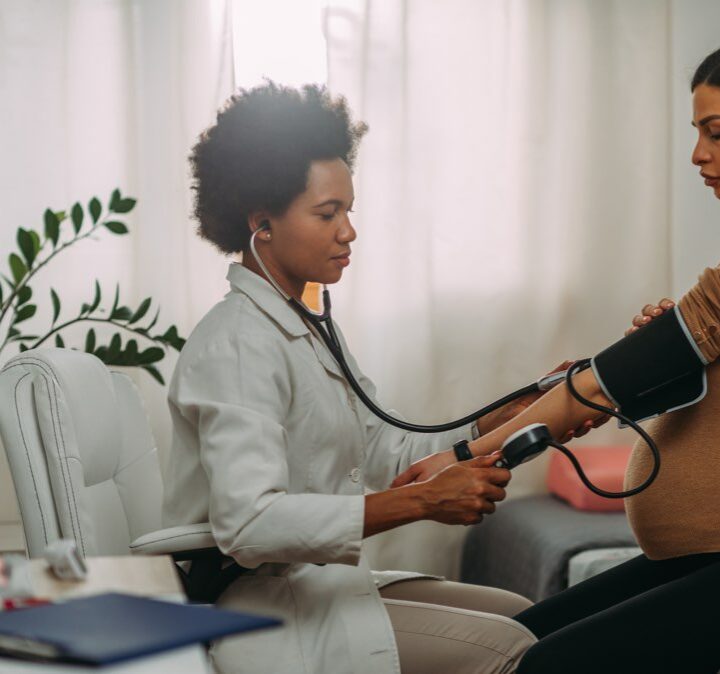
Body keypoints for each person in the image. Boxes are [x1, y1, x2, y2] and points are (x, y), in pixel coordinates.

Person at [396, 35, 720, 672]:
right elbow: (689, 389)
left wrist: (461, 455)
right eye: (696, 132)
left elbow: (600, 387)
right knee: (518, 639)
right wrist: (664, 356)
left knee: (539, 665)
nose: (697, 154)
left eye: (716, 131)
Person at [162, 81, 594, 674]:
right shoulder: (237, 344)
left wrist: (517, 409)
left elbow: (387, 448)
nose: (349, 232)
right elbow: (250, 523)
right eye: (327, 213)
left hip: (317, 586)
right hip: (259, 603)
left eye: (349, 210)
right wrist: (420, 502)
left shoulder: (304, 328)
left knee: (525, 616)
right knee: (519, 652)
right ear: (262, 223)